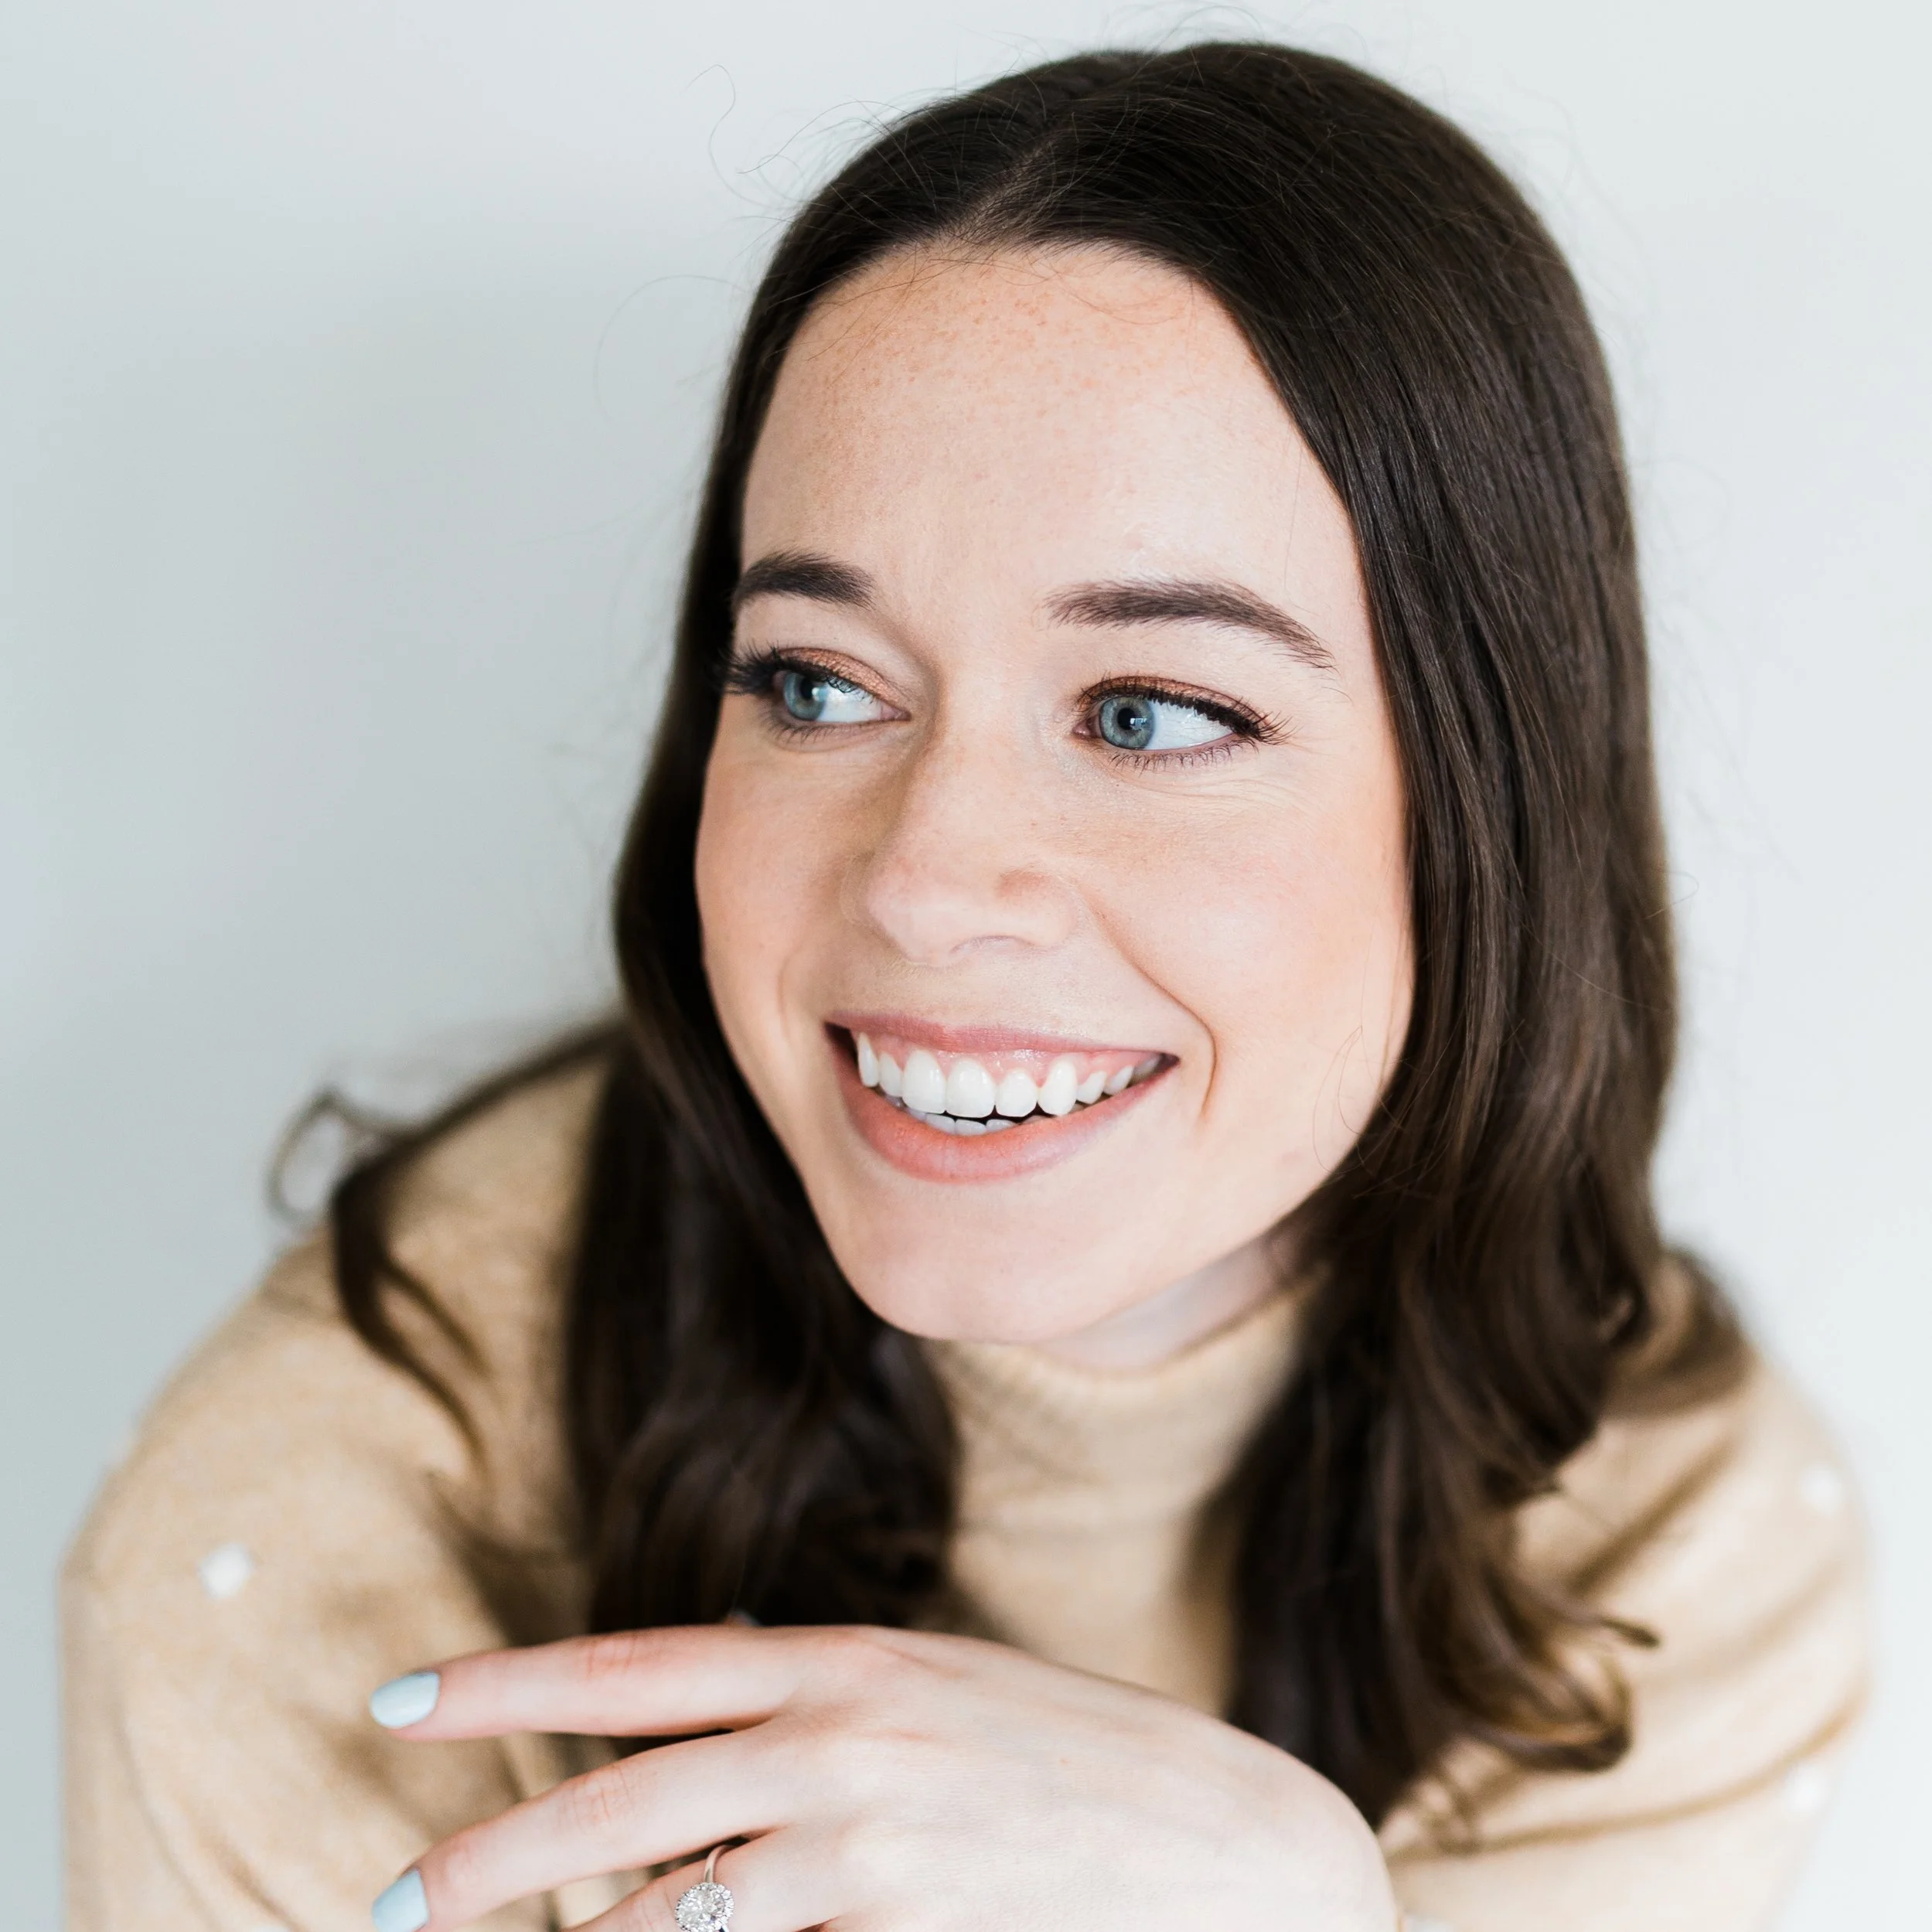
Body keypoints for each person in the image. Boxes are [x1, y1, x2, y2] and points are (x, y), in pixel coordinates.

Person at [63, 42, 1867, 1932]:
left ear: (1484, 806)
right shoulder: (313, 1545)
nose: (923, 885)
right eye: (818, 683)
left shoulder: (1682, 1546)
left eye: (1154, 712)